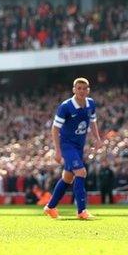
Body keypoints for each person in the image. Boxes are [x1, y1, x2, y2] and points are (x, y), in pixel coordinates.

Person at [43, 77, 102, 219]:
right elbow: (55, 129)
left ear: (88, 90)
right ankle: (81, 211)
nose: (81, 91)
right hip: (67, 145)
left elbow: (93, 121)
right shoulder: (66, 106)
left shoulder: (91, 104)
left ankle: (50, 207)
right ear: (74, 90)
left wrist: (97, 138)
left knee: (68, 178)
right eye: (78, 88)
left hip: (79, 146)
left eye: (84, 88)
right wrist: (58, 150)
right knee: (81, 172)